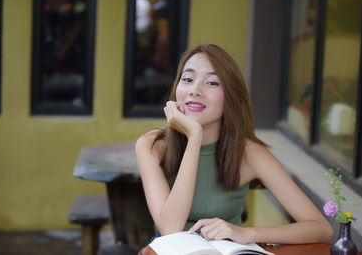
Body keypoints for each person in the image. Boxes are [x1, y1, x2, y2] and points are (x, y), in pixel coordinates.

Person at [135, 44, 333, 245]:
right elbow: (170, 229)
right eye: (187, 79)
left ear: (231, 96)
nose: (194, 90)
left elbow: (321, 229)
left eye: (212, 83)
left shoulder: (250, 153)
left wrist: (248, 234)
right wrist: (194, 138)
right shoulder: (152, 146)